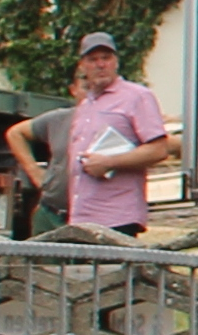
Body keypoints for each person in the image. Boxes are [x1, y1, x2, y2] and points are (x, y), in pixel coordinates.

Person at [31, 29, 178, 236]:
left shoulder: (137, 96)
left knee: (112, 269)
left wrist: (109, 162)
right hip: (81, 217)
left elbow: (159, 150)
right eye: (93, 59)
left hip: (116, 218)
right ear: (83, 66)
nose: (100, 65)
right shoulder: (86, 104)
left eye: (106, 58)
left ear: (116, 62)